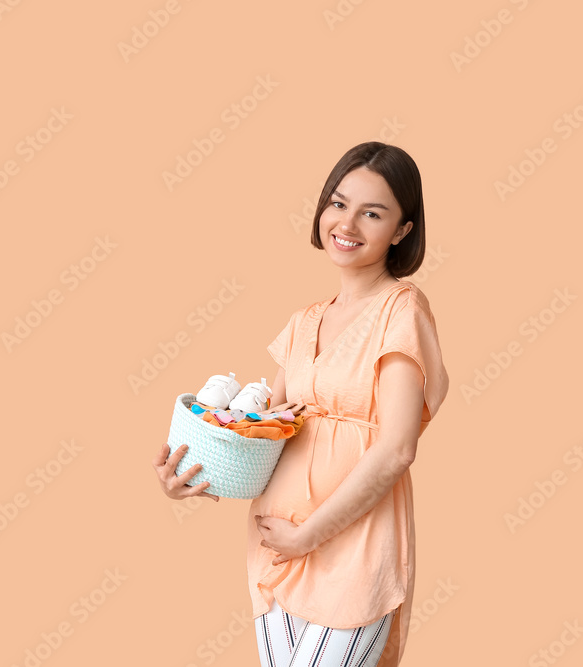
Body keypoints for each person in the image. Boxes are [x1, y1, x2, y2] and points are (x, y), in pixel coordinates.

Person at [153, 141, 448, 666]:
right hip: (277, 541)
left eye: (372, 212)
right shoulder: (303, 322)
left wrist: (310, 534)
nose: (348, 223)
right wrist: (192, 476)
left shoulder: (401, 309)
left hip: (352, 547)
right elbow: (259, 431)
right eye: (338, 203)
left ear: (402, 230)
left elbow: (398, 448)